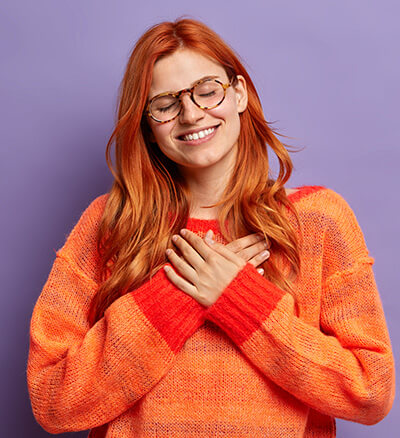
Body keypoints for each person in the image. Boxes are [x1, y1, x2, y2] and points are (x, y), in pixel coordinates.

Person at [27, 18, 395, 438]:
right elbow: (52, 401)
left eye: (206, 91)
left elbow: (370, 391)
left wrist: (240, 300)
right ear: (147, 124)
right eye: (165, 104)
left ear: (238, 93)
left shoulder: (317, 220)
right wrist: (177, 294)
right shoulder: (109, 223)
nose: (190, 114)